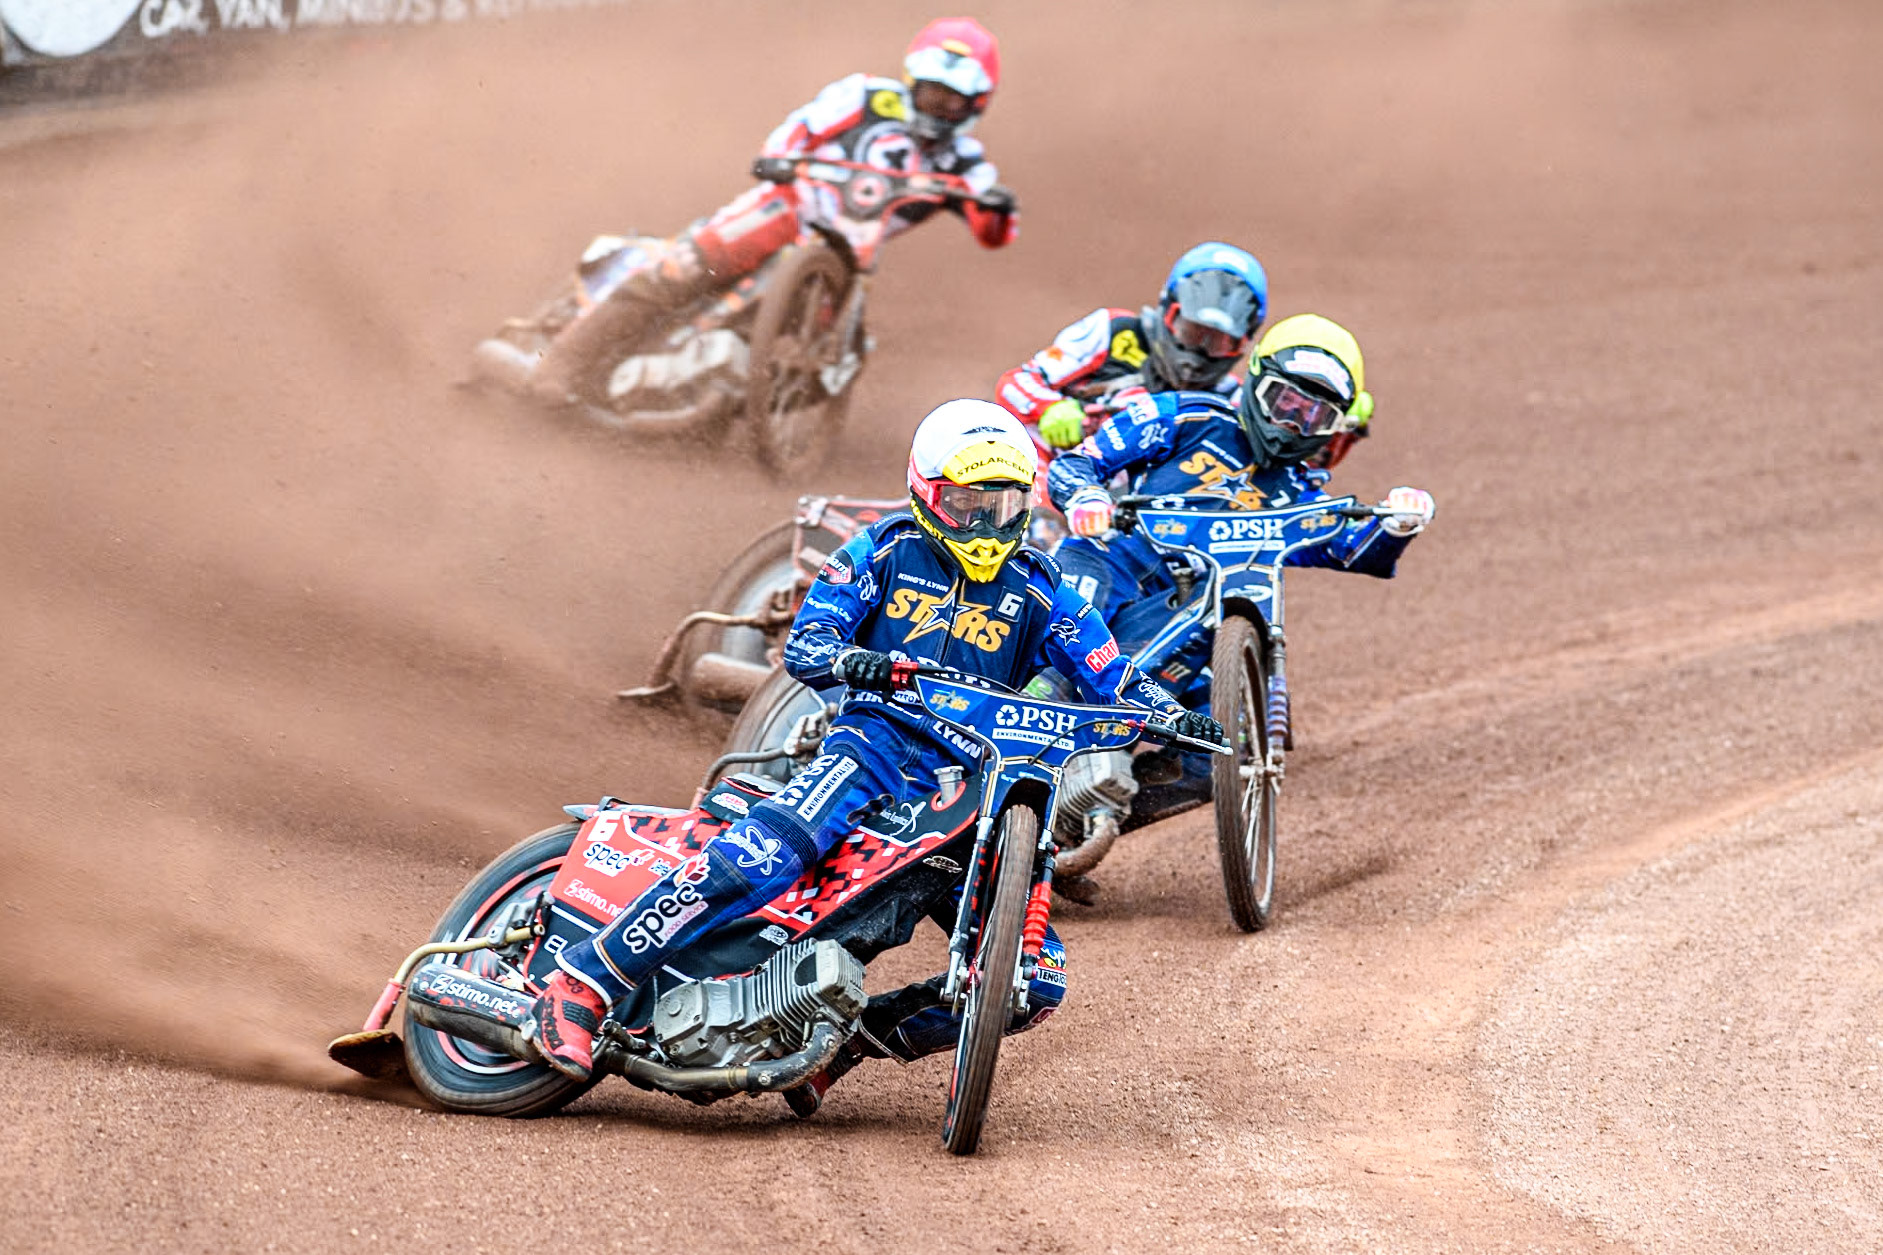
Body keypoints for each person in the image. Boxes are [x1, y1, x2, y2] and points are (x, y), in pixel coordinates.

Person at [526, 399, 1223, 1105]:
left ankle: (845, 1046)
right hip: (872, 750)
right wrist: (858, 663)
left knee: (1032, 984)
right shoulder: (878, 550)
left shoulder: (1043, 589)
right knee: (765, 856)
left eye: (1003, 504)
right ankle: (584, 980)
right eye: (966, 503)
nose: (986, 523)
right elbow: (805, 647)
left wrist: (1173, 714)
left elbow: (1114, 675)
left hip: (975, 791)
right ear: (926, 492)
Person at [528, 17, 1019, 406]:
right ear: (913, 80)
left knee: (834, 350)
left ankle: (738, 398)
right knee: (682, 268)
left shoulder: (964, 162)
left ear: (976, 104)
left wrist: (995, 209)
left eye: (954, 102)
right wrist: (780, 156)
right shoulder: (866, 96)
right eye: (934, 93)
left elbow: (994, 230)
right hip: (789, 208)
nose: (940, 108)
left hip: (849, 260)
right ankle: (562, 363)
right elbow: (802, 127)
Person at [1046, 313, 1435, 629]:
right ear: (1257, 379)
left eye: (1313, 416)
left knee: (1215, 671)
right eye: (1284, 402)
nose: (1290, 425)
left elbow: (1352, 548)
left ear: (1332, 426)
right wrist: (1086, 496)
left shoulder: (1297, 495)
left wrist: (1396, 524)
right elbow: (1079, 461)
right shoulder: (1185, 415)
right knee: (1067, 613)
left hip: (1198, 608)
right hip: (1114, 559)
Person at [994, 242, 1269, 461]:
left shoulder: (1232, 400)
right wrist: (1050, 408)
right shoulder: (1114, 332)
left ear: (1242, 344)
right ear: (1168, 308)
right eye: (1192, 332)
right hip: (1053, 474)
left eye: (1219, 342)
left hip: (1135, 513)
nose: (1199, 351)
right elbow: (1014, 383)